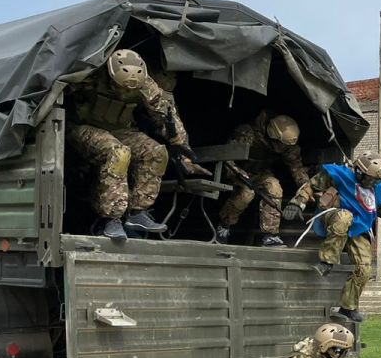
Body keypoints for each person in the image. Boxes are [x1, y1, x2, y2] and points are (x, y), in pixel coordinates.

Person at [66, 49, 194, 240]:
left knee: (157, 152)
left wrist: (181, 147)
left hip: (120, 129)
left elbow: (166, 114)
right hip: (83, 126)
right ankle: (111, 219)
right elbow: (55, 90)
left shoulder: (145, 84)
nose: (125, 91)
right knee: (119, 153)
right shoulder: (91, 74)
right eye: (121, 87)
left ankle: (137, 213)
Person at [282, 155, 381, 323]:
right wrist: (297, 202)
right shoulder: (340, 174)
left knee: (364, 269)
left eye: (376, 181)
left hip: (358, 229)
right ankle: (326, 260)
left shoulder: (376, 186)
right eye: (370, 179)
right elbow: (311, 186)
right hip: (333, 217)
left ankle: (348, 307)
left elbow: (375, 205)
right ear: (359, 171)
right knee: (345, 216)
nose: (372, 183)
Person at [217, 111, 309, 247]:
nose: (284, 148)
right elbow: (227, 157)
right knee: (246, 194)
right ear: (273, 135)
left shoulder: (286, 145)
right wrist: (238, 172)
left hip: (260, 173)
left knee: (275, 188)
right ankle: (224, 225)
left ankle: (270, 235)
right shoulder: (247, 134)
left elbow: (296, 168)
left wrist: (305, 186)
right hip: (237, 171)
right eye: (282, 145)